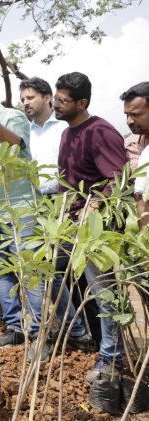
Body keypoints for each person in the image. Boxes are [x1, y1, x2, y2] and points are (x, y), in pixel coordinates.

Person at [0, 79, 89, 359]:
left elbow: (17, 145)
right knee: (4, 272)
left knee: (35, 273)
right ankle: (15, 327)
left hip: (19, 209)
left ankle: (47, 332)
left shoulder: (11, 117)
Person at [54, 72, 128, 381]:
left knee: (103, 291)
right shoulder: (67, 133)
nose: (56, 104)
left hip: (94, 228)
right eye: (55, 98)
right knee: (59, 278)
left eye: (62, 100)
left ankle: (112, 358)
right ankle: (93, 340)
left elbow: (119, 179)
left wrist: (95, 203)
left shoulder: (100, 131)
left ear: (81, 102)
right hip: (68, 224)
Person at [19, 77, 69, 195]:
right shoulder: (25, 134)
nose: (25, 103)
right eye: (23, 100)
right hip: (37, 204)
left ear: (47, 98)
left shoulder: (65, 126)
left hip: (68, 197)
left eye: (30, 98)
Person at [122, 82, 149, 229]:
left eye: (136, 115)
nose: (129, 121)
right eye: (127, 115)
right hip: (138, 231)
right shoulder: (128, 145)